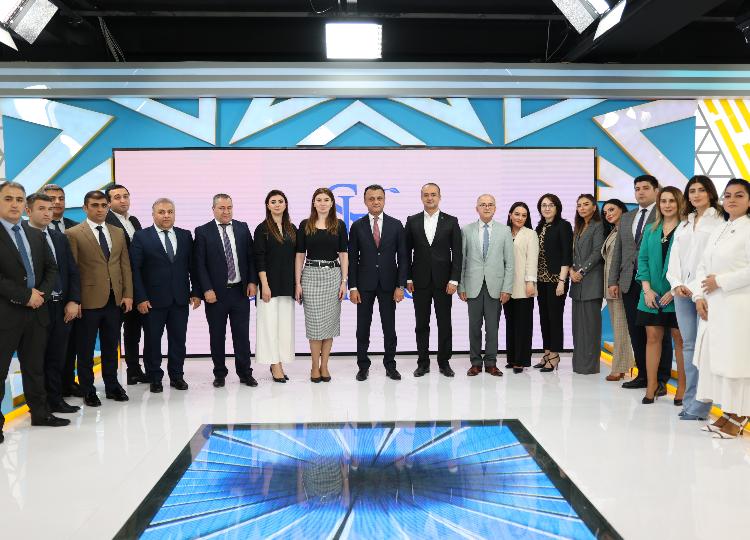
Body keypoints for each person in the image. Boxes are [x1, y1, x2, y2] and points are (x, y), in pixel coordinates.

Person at [0, 181, 69, 444]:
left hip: (36, 312)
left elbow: (52, 268)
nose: (15, 204)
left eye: (19, 199)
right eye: (8, 199)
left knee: (34, 367)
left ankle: (40, 413)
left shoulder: (35, 234)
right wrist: (25, 295)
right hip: (6, 313)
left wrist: (40, 294)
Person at [692, 179, 750, 438]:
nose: (732, 200)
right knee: (720, 360)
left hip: (739, 306)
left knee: (738, 361)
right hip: (714, 306)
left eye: (739, 195)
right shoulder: (720, 229)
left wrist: (721, 281)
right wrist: (699, 295)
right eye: (728, 195)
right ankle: (728, 412)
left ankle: (741, 414)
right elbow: (703, 266)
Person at [66, 190, 133, 407]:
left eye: (104, 205)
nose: (100, 209)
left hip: (114, 300)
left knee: (111, 347)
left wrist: (128, 294)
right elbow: (72, 270)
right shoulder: (74, 233)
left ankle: (112, 386)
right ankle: (88, 389)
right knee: (85, 349)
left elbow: (124, 265)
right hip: (87, 301)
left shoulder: (117, 232)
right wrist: (75, 300)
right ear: (85, 208)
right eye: (95, 205)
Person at [666, 176, 724, 420]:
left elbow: (712, 260)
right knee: (688, 346)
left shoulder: (720, 221)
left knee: (704, 348)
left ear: (710, 193)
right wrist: (676, 284)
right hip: (681, 293)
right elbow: (674, 258)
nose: (696, 194)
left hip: (705, 293)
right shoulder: (685, 223)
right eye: (692, 191)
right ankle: (690, 403)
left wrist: (692, 287)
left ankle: (701, 406)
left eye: (701, 190)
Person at [608, 175, 673, 391]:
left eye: (646, 188)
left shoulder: (663, 214)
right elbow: (618, 251)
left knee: (658, 332)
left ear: (656, 191)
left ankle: (661, 379)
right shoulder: (628, 217)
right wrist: (613, 280)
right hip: (628, 282)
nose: (641, 192)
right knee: (635, 331)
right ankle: (643, 375)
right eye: (637, 188)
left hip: (654, 284)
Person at [129, 198, 200, 393]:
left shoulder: (185, 235)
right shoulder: (141, 236)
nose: (166, 215)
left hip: (180, 299)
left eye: (170, 211)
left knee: (178, 340)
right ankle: (155, 377)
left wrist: (195, 292)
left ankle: (177, 376)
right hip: (152, 301)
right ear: (153, 215)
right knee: (153, 341)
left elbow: (193, 267)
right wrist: (140, 298)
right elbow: (135, 270)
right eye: (161, 212)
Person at [194, 194, 258, 388]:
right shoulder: (203, 231)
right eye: (221, 208)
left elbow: (251, 257)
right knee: (217, 336)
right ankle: (219, 373)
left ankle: (245, 373)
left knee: (242, 336)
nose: (226, 211)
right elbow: (199, 264)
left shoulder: (242, 227)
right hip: (215, 294)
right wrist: (206, 289)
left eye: (229, 207)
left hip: (240, 292)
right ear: (213, 209)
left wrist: (252, 281)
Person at [25, 193, 81, 414]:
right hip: (36, 307)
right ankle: (39, 406)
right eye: (42, 209)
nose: (48, 213)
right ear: (28, 211)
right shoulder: (21, 236)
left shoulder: (59, 237)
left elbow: (72, 271)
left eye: (50, 209)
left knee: (57, 357)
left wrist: (74, 300)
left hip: (61, 306)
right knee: (36, 360)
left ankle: (56, 400)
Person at [348, 184, 408, 382]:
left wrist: (400, 286)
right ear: (365, 201)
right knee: (362, 328)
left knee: (389, 328)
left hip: (389, 285)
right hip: (364, 285)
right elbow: (352, 259)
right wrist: (353, 287)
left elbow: (403, 258)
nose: (375, 202)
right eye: (371, 198)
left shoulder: (396, 225)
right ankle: (362, 366)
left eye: (379, 198)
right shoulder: (357, 226)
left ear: (384, 200)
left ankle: (390, 365)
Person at [405, 183, 462, 378]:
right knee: (421, 323)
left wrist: (454, 280)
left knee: (444, 323)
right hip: (419, 281)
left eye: (433, 195)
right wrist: (408, 277)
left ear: (439, 197)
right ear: (421, 197)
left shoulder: (451, 221)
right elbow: (406, 252)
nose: (430, 198)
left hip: (444, 282)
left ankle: (444, 362)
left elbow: (458, 253)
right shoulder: (412, 221)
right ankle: (423, 363)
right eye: (426, 195)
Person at [636, 186, 685, 405]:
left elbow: (690, 264)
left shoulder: (686, 229)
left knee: (680, 341)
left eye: (672, 201)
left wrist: (674, 291)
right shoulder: (651, 229)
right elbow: (643, 260)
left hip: (679, 294)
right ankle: (652, 386)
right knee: (652, 339)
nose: (667, 205)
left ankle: (682, 388)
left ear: (679, 203)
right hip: (651, 295)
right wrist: (647, 290)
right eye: (663, 201)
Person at [295, 188, 348, 383]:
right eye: (319, 199)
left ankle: (324, 365)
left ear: (332, 203)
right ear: (314, 203)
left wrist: (344, 281)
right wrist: (297, 283)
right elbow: (299, 255)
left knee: (329, 325)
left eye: (326, 199)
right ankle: (313, 366)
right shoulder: (305, 224)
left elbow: (344, 254)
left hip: (333, 276)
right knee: (315, 326)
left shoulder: (339, 225)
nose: (323, 203)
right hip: (310, 276)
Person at [458, 194, 514, 377]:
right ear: (477, 208)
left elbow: (509, 263)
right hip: (472, 286)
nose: (487, 207)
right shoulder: (466, 230)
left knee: (492, 328)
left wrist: (507, 288)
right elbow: (462, 260)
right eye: (483, 205)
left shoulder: (504, 231)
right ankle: (475, 363)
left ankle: (491, 363)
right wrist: (461, 286)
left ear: (495, 208)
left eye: (490, 204)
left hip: (495, 287)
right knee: (474, 327)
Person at [41, 184, 82, 399]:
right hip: (43, 302)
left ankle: (67, 383)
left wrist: (76, 298)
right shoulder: (31, 231)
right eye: (51, 199)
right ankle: (46, 395)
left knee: (69, 345)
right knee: (45, 351)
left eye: (61, 198)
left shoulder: (76, 228)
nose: (57, 202)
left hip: (70, 299)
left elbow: (77, 268)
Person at [105, 184, 146, 385]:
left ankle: (134, 370)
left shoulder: (133, 220)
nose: (123, 200)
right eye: (117, 197)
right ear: (108, 202)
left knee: (133, 331)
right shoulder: (106, 221)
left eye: (125, 196)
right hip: (116, 287)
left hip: (135, 284)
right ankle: (111, 380)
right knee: (112, 334)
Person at [255, 190, 297, 383]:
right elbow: (260, 258)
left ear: (285, 204)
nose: (277, 204)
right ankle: (274, 364)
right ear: (267, 205)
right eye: (273, 201)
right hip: (269, 285)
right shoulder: (262, 229)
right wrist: (264, 285)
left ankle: (280, 360)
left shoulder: (292, 228)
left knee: (284, 326)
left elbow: (297, 257)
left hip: (287, 284)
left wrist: (297, 284)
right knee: (269, 325)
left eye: (281, 201)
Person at [534, 193, 572, 372]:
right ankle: (547, 352)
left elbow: (566, 254)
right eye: (544, 205)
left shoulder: (563, 226)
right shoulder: (540, 227)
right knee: (544, 318)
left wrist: (562, 281)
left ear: (557, 208)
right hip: (541, 280)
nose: (547, 208)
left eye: (551, 205)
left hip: (557, 280)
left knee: (555, 318)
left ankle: (555, 355)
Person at [569, 194, 605, 375]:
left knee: (591, 327)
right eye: (579, 205)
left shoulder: (598, 226)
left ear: (594, 207)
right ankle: (579, 365)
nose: (582, 208)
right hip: (577, 284)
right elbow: (573, 254)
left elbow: (597, 252)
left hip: (591, 282)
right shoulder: (579, 227)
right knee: (578, 327)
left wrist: (581, 272)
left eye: (586, 204)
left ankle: (590, 366)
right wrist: (571, 272)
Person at [601, 199, 635, 381]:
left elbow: (626, 259)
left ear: (622, 209)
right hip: (611, 285)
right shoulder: (614, 231)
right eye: (605, 212)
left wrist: (617, 282)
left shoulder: (627, 230)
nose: (608, 214)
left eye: (612, 209)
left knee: (621, 327)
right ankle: (624, 365)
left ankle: (619, 368)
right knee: (618, 327)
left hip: (620, 285)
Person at [504, 202, 538, 374]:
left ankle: (521, 360)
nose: (520, 218)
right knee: (510, 323)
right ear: (510, 215)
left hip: (524, 285)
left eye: (524, 215)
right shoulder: (503, 232)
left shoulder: (530, 234)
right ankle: (511, 358)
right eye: (517, 214)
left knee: (523, 325)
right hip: (506, 286)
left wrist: (530, 282)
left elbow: (532, 259)